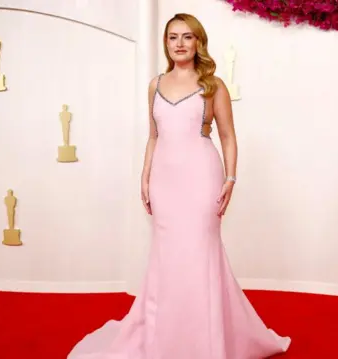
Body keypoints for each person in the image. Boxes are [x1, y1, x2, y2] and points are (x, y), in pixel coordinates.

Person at [67, 13, 291, 359]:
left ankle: (208, 342)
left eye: (187, 37)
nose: (180, 44)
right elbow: (154, 136)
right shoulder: (155, 85)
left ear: (198, 42)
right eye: (173, 37)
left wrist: (231, 177)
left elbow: (228, 136)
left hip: (202, 176)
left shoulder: (212, 85)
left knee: (200, 253)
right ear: (166, 43)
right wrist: (145, 175)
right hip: (164, 180)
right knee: (167, 257)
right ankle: (165, 339)